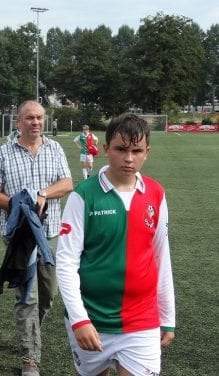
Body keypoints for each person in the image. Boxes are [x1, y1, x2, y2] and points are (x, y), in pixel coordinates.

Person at [56, 113, 175, 376]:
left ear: (147, 152)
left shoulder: (156, 193)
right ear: (106, 148)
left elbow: (161, 256)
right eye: (121, 149)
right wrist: (79, 319)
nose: (129, 158)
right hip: (92, 319)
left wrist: (167, 316)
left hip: (142, 320)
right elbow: (66, 263)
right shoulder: (84, 195)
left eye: (137, 150)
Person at [0, 100, 73, 376]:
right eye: (30, 118)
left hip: (50, 235)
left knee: (48, 296)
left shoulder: (55, 149)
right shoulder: (3, 153)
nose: (35, 122)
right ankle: (30, 357)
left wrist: (43, 194)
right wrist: (18, 205)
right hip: (19, 237)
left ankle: (30, 335)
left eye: (39, 118)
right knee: (27, 296)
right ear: (18, 122)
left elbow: (67, 183)